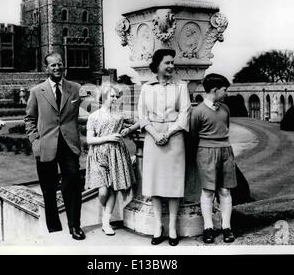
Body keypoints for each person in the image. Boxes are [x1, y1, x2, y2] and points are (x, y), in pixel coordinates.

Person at [24, 52, 85, 240]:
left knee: (72, 186)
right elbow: (29, 119)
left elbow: (84, 112)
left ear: (63, 66)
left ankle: (75, 226)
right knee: (48, 189)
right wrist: (35, 141)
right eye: (53, 65)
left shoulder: (75, 88)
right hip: (45, 146)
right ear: (46, 68)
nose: (57, 68)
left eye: (59, 64)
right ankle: (54, 228)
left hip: (69, 145)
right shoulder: (37, 91)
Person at [138, 49, 191, 246]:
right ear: (157, 64)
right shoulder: (146, 88)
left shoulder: (180, 86)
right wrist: (154, 133)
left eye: (172, 63)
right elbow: (142, 115)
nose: (171, 66)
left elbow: (184, 114)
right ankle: (158, 226)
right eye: (167, 62)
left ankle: (173, 228)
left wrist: (167, 134)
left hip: (174, 137)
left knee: (173, 183)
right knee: (154, 183)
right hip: (153, 137)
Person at [85, 84, 139, 236]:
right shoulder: (94, 116)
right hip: (98, 155)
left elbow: (141, 121)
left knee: (113, 188)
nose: (115, 99)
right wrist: (108, 137)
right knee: (103, 191)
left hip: (116, 154)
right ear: (103, 98)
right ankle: (105, 211)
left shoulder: (120, 115)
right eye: (112, 96)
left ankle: (106, 221)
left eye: (117, 96)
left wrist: (128, 130)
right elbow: (89, 140)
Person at [190, 73, 237, 244]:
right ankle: (208, 228)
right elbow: (194, 136)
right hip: (206, 152)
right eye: (224, 90)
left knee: (225, 191)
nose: (226, 93)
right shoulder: (198, 111)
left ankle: (226, 227)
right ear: (215, 90)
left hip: (225, 150)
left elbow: (226, 128)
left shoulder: (225, 109)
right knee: (208, 191)